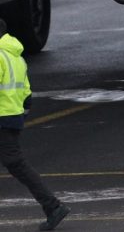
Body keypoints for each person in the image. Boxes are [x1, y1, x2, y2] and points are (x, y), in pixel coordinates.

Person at [0, 18, 70, 230]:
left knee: (17, 164)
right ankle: (52, 206)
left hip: (2, 118)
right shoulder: (16, 57)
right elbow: (27, 95)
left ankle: (53, 206)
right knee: (16, 164)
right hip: (11, 118)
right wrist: (19, 117)